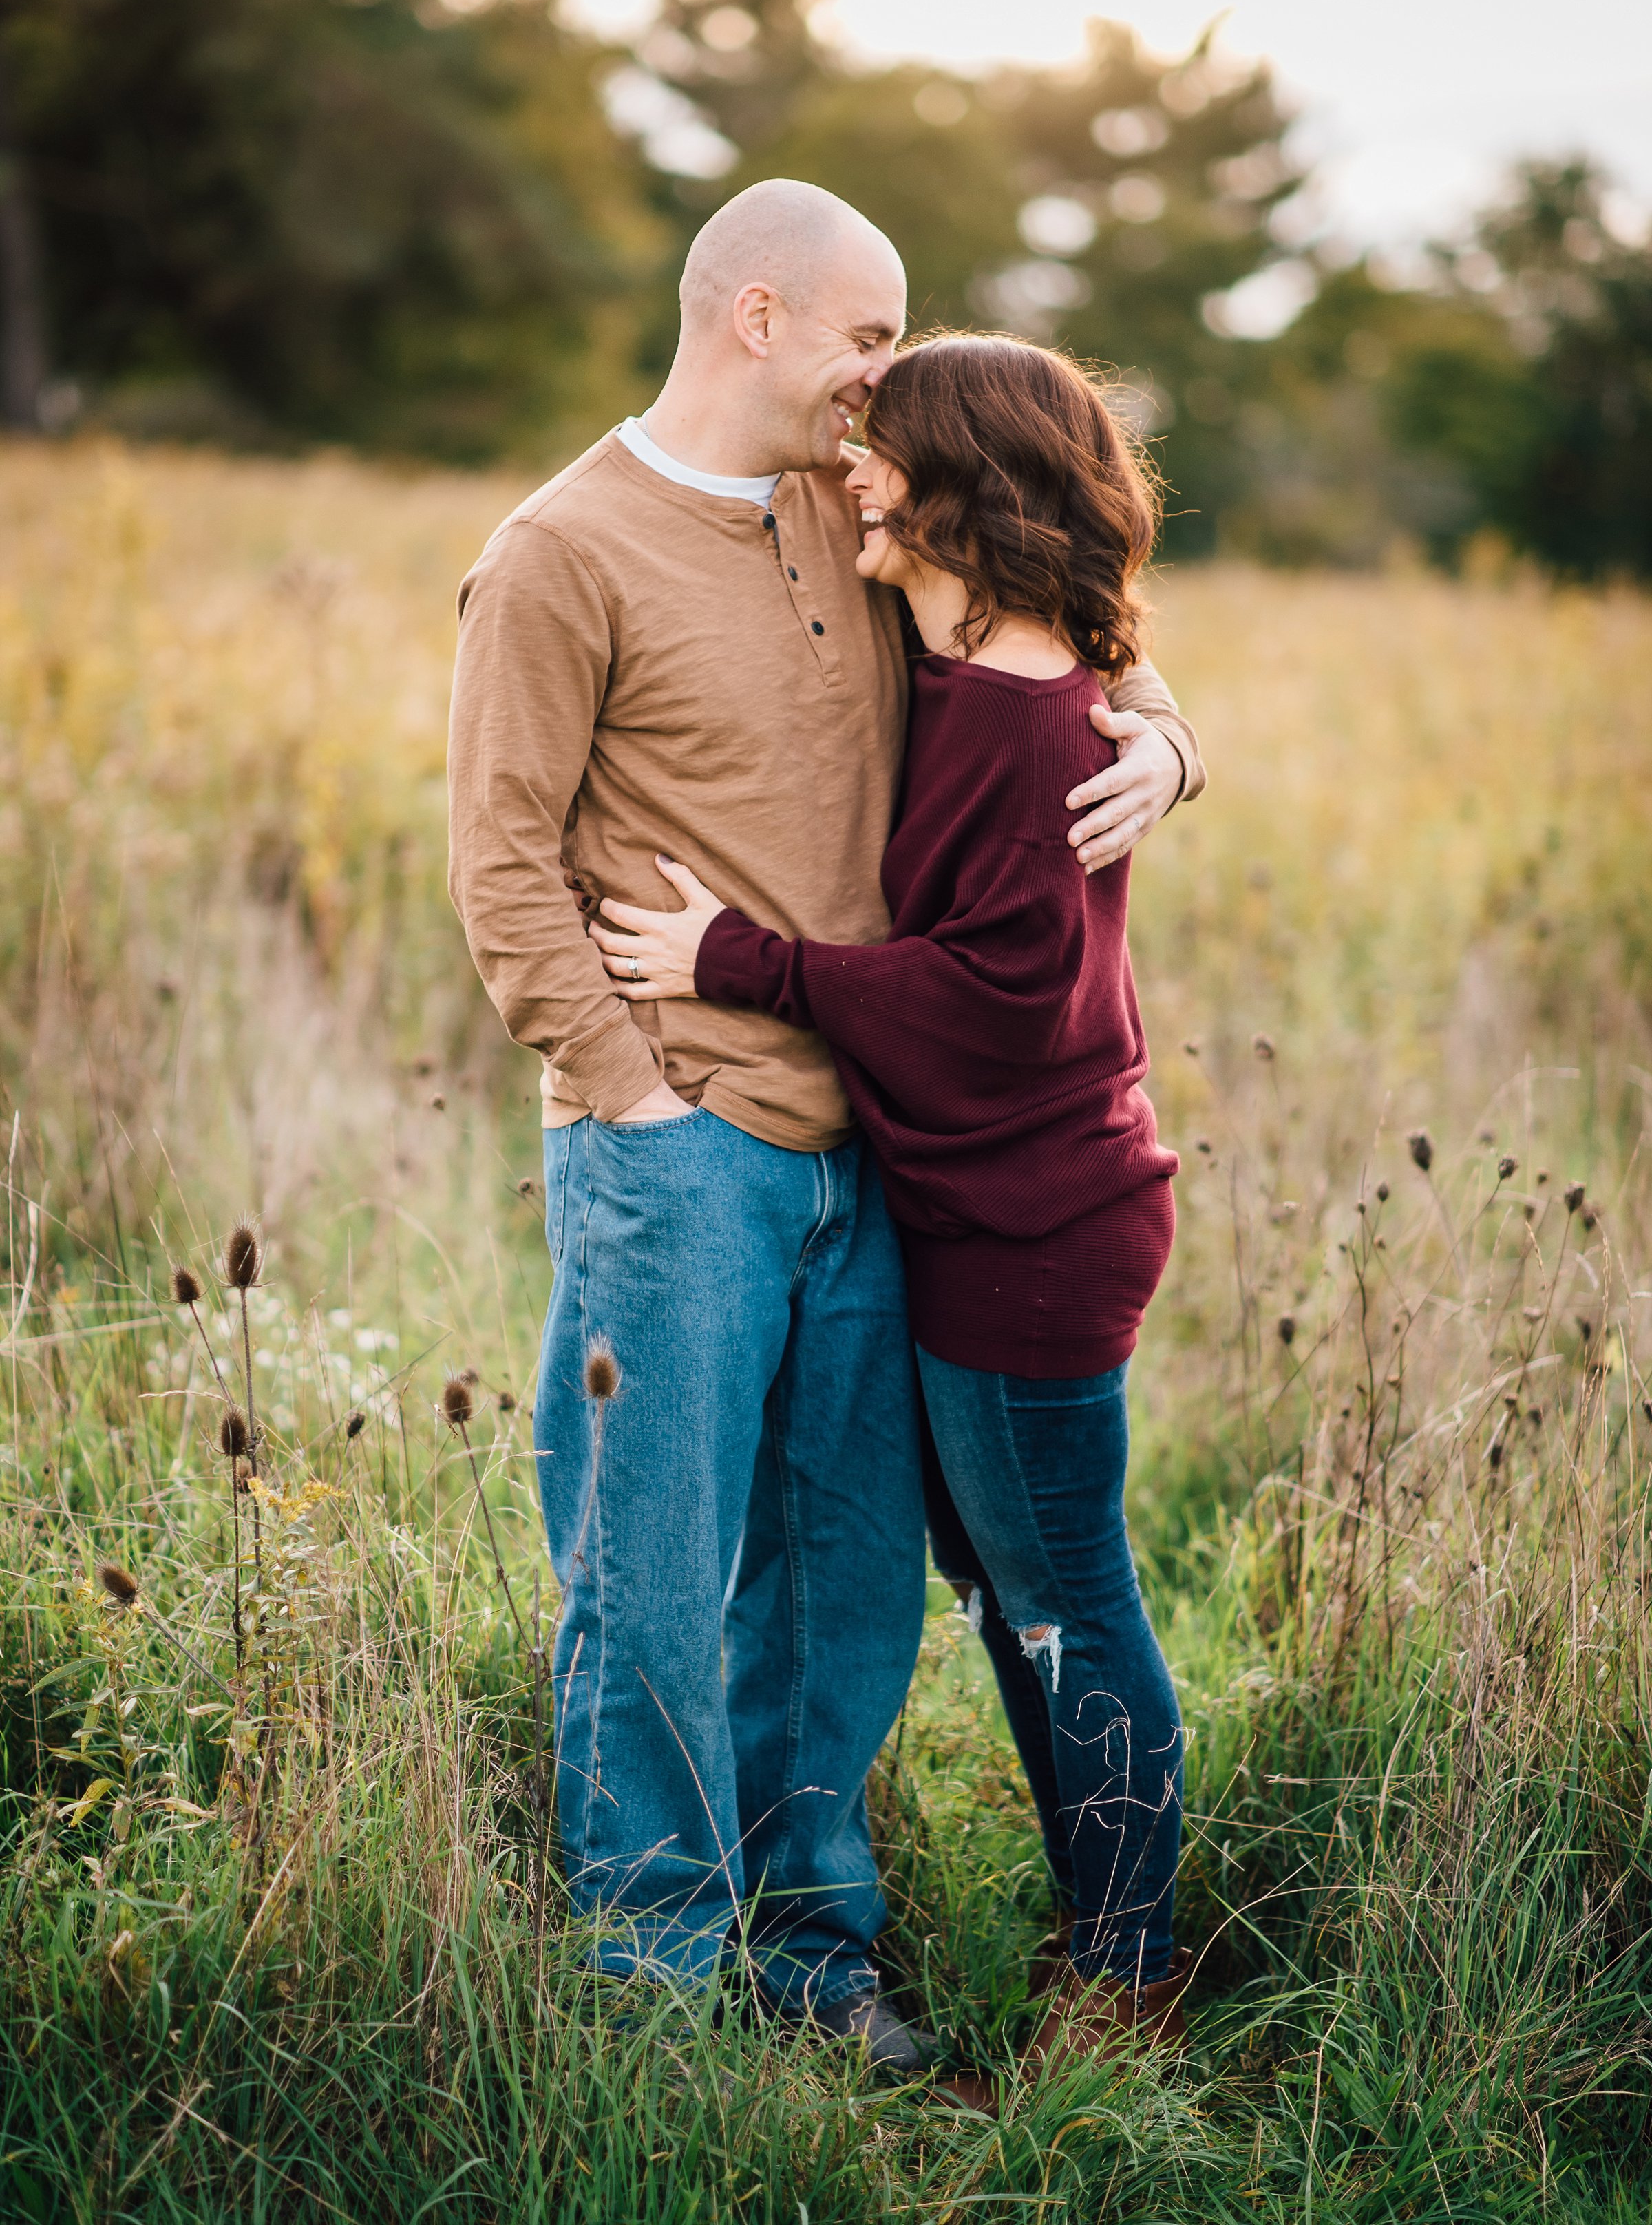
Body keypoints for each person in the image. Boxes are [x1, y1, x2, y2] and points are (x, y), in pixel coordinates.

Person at [446, 184, 1204, 2073]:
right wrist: (637, 1091)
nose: (884, 381)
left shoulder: (851, 510)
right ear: (763, 316)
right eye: (870, 338)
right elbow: (500, 865)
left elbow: (1065, 612)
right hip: (681, 1145)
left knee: (846, 1576)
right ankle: (656, 1968)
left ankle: (813, 1942)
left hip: (883, 1159)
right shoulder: (558, 552)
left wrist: (1176, 733)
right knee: (655, 1568)